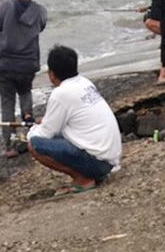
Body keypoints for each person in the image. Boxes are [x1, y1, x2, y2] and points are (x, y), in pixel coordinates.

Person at [27, 45, 122, 194]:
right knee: (54, 134)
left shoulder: (60, 93)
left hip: (98, 163)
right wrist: (45, 122)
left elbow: (44, 134)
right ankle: (91, 174)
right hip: (110, 160)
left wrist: (31, 131)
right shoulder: (85, 82)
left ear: (51, 74)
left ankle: (84, 180)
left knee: (34, 144)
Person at [0, 0, 47, 158]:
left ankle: (8, 146)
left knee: (7, 103)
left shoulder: (5, 6)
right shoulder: (40, 11)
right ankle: (29, 138)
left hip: (5, 64)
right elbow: (41, 26)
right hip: (28, 65)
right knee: (25, 94)